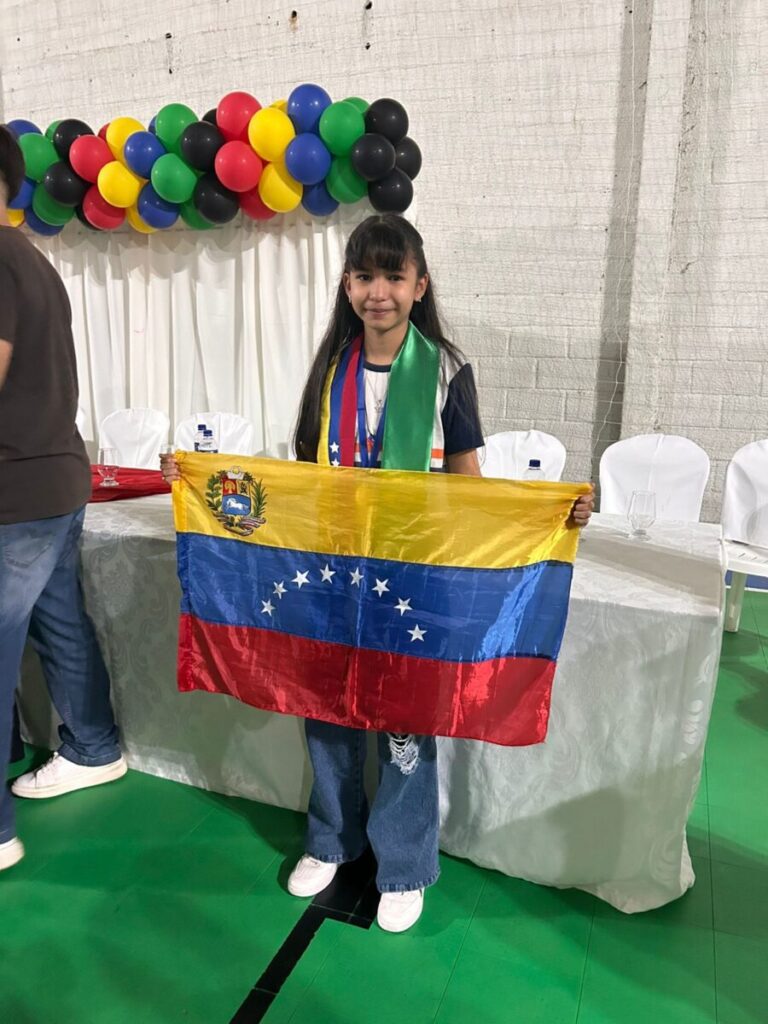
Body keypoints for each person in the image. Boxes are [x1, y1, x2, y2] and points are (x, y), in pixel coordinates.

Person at [163, 214, 593, 931]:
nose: (379, 292)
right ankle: (331, 839)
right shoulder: (331, 369)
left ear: (420, 286)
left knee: (405, 723)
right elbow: (299, 478)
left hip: (412, 576)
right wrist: (199, 479)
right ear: (347, 285)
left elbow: (468, 484)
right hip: (331, 570)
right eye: (364, 276)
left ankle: (404, 862)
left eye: (394, 276)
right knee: (325, 708)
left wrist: (553, 513)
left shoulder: (447, 371)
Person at [0, 125, 127, 875]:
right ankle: (93, 745)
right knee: (57, 620)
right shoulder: (32, 260)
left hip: (17, 489)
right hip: (53, 479)